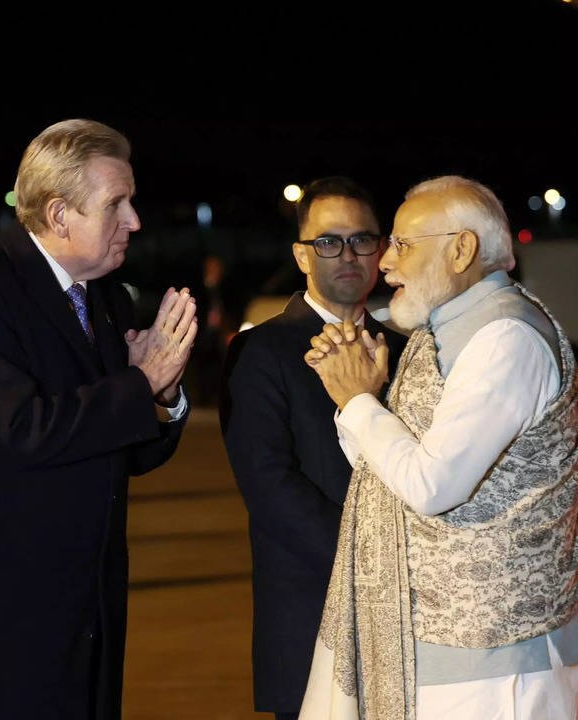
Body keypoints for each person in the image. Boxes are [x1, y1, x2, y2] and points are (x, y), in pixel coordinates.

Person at [0, 119, 196, 720]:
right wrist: (137, 386)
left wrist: (163, 395)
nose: (133, 220)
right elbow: (16, 433)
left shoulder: (105, 295)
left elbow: (124, 453)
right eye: (117, 204)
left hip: (85, 622)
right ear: (59, 216)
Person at [298, 176, 578, 719]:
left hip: (496, 651)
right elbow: (388, 473)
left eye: (404, 244)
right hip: (438, 643)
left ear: (462, 249)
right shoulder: (437, 332)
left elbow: (432, 485)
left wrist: (359, 403)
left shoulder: (505, 339)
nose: (385, 261)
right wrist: (358, 400)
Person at [219, 177, 406, 720]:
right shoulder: (263, 350)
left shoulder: (408, 349)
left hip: (407, 616)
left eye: (362, 240)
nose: (347, 255)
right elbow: (268, 484)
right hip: (312, 610)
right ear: (302, 256)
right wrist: (370, 562)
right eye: (329, 242)